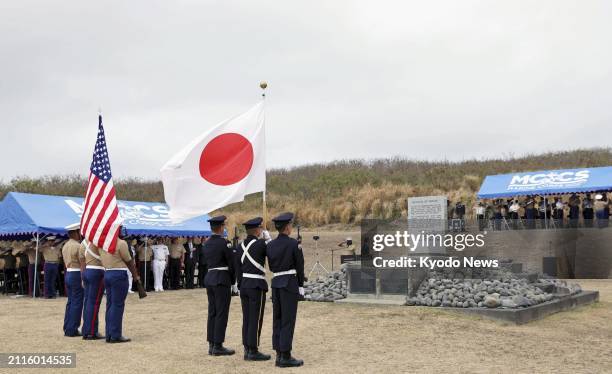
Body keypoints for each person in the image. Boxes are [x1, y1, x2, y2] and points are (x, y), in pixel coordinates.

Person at [266, 212, 305, 368]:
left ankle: (279, 353)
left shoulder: (270, 245)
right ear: (288, 227)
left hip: (276, 283)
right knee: (288, 320)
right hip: (289, 283)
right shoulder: (293, 244)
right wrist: (301, 285)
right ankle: (285, 355)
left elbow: (271, 266)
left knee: (278, 319)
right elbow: (300, 266)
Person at [98, 226, 142, 343]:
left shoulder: (102, 244)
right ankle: (116, 335)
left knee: (110, 304)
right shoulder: (121, 243)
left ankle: (109, 334)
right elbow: (129, 261)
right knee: (118, 305)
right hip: (118, 274)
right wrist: (135, 275)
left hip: (107, 273)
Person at [237, 217, 271, 361]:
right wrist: (268, 239)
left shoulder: (240, 246)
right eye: (261, 228)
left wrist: (239, 285)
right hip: (256, 284)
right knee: (255, 319)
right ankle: (253, 350)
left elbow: (238, 268)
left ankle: (247, 347)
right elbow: (274, 252)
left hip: (244, 285)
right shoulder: (261, 244)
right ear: (257, 230)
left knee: (247, 318)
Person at [202, 215, 236, 356]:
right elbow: (231, 263)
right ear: (221, 227)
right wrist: (233, 281)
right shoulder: (224, 243)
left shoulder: (207, 243)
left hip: (210, 278)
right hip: (221, 279)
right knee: (221, 312)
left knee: (213, 312)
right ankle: (218, 345)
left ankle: (211, 343)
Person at [79, 238, 105, 340]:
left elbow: (82, 262)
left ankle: (86, 330)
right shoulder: (98, 241)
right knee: (94, 303)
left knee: (88, 302)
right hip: (97, 271)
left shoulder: (83, 243)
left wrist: (82, 277)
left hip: (86, 271)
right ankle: (91, 331)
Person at [62, 223, 84, 337]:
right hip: (76, 274)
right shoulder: (78, 246)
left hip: (69, 273)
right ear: (75, 232)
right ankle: (73, 329)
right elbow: (82, 262)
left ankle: (67, 327)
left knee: (70, 302)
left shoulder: (65, 245)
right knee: (77, 302)